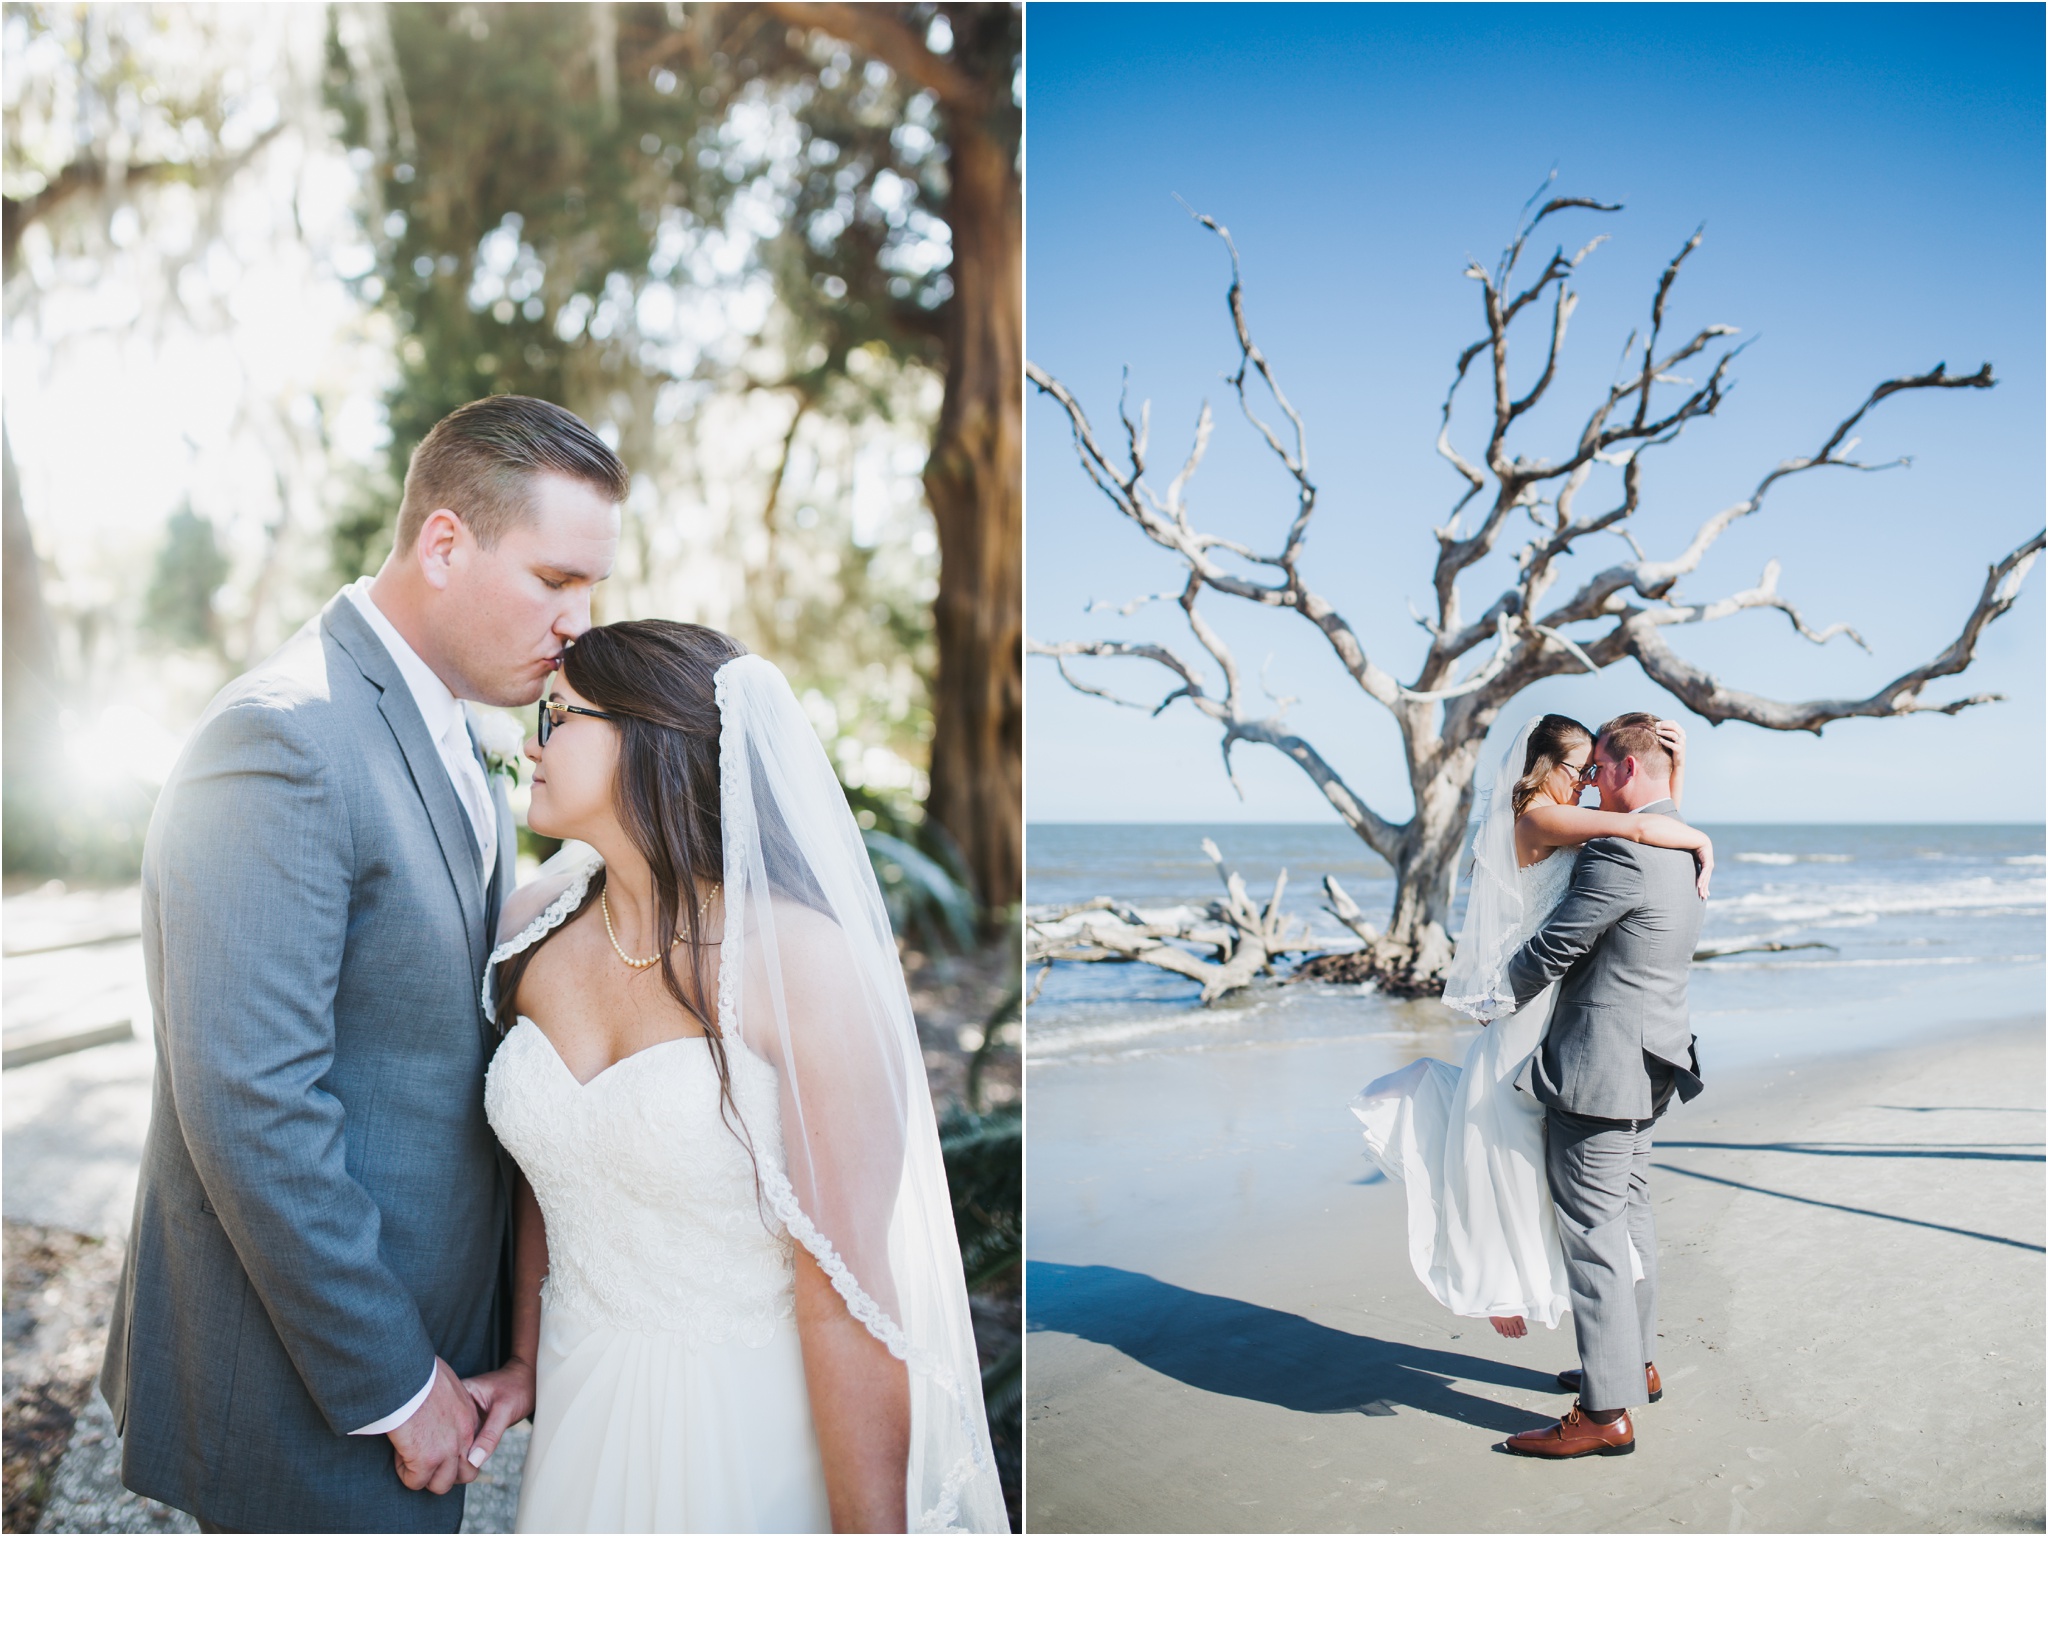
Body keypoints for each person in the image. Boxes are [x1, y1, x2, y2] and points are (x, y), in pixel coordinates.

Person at [101, 395, 625, 1531]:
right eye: (553, 580)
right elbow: (250, 1099)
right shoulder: (283, 739)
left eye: (593, 587)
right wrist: (393, 1381)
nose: (579, 622)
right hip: (319, 1385)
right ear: (443, 543)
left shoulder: (459, 735)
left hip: (436, 1350)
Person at [463, 622, 1007, 1532]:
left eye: (559, 716)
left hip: (750, 1427)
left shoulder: (798, 962)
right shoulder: (532, 925)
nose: (532, 741)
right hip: (579, 1403)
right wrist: (523, 1358)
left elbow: (848, 1296)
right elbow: (547, 1176)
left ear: (652, 739)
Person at [1350, 713, 1710, 1353]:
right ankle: (1501, 1283)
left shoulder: (1569, 822)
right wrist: (1690, 829)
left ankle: (1603, 1344)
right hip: (1535, 1007)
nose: (1591, 784)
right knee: (1507, 1146)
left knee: (1531, 1154)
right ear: (1545, 768)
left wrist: (1674, 780)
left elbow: (1641, 842)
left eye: (1598, 770)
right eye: (1581, 770)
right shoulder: (1536, 820)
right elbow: (1635, 826)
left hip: (1556, 1010)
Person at [1498, 711, 1708, 1459]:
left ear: (1619, 770)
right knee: (1631, 1213)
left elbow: (1558, 944)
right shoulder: (1681, 843)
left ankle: (1604, 1410)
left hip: (1601, 1067)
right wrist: (1679, 784)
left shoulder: (1616, 852)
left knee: (1594, 1233)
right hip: (1656, 1055)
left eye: (1599, 770)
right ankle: (1635, 1362)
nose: (1591, 782)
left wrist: (1496, 996)